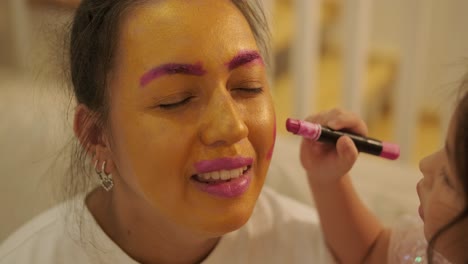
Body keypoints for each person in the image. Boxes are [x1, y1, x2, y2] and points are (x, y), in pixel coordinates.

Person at [0, 0, 335, 263]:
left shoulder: (314, 246)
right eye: (177, 100)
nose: (232, 126)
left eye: (247, 87)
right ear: (96, 137)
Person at [301, 82, 468, 262]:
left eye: (447, 178)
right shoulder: (423, 249)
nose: (424, 164)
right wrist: (326, 179)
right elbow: (370, 251)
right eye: (444, 149)